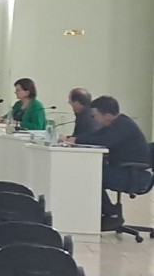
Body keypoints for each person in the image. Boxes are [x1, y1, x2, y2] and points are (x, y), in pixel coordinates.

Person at [63, 96, 151, 231]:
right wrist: (73, 139)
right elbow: (95, 135)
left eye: (96, 116)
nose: (94, 119)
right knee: (89, 173)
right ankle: (108, 214)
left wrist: (76, 140)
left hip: (135, 175)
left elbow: (105, 141)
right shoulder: (116, 123)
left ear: (108, 115)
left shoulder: (123, 125)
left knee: (91, 177)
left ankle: (112, 214)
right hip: (125, 170)